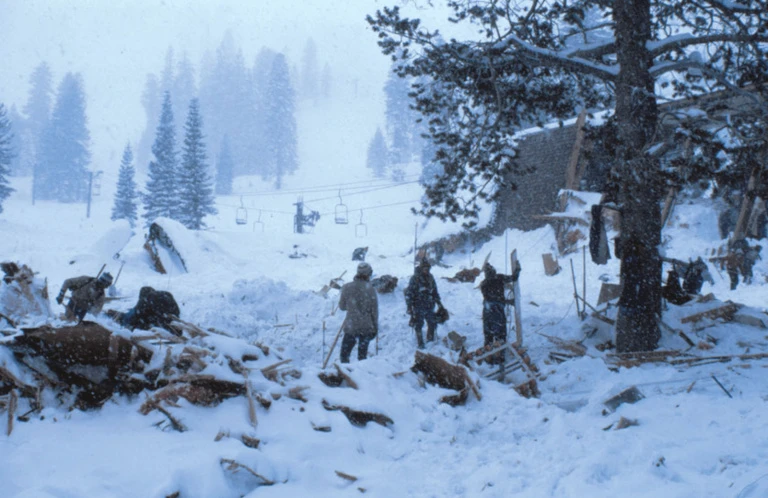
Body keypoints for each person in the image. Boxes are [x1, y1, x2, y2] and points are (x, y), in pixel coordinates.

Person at [338, 262, 379, 363]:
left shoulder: (346, 287)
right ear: (368, 274)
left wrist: (352, 306)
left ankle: (344, 373)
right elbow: (374, 311)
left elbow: (342, 307)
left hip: (351, 326)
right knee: (362, 357)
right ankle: (361, 376)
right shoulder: (371, 290)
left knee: (344, 355)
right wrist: (375, 327)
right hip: (366, 326)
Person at [479, 262, 521, 351]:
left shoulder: (483, 284)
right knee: (500, 334)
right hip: (497, 311)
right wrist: (517, 269)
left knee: (488, 335)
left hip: (487, 311)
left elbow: (491, 298)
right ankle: (500, 355)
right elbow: (514, 277)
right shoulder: (499, 278)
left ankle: (489, 356)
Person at [405, 258, 443, 349]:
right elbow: (409, 293)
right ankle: (420, 342)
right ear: (421, 268)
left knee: (432, 323)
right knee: (418, 324)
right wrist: (409, 306)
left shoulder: (431, 277)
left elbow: (435, 291)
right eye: (424, 268)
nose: (426, 270)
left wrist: (439, 302)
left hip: (429, 305)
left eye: (427, 268)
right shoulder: (415, 278)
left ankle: (430, 340)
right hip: (418, 305)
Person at [113, 286, 180, 333]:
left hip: (162, 320)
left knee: (133, 317)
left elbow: (136, 314)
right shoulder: (165, 295)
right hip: (172, 318)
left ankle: (121, 317)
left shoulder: (146, 300)